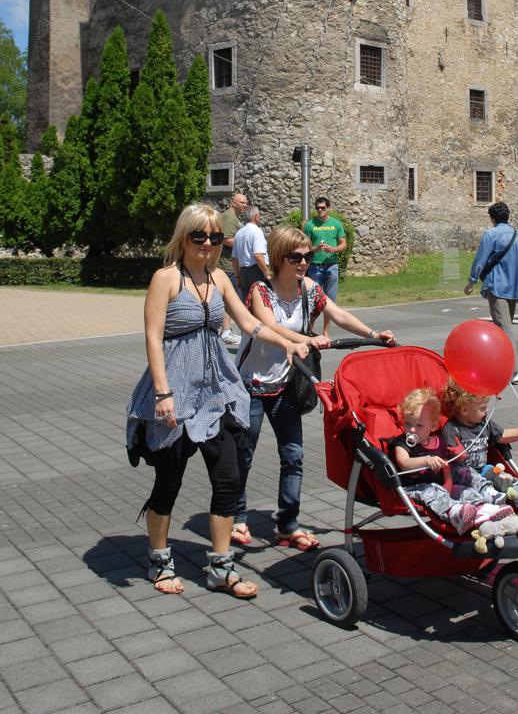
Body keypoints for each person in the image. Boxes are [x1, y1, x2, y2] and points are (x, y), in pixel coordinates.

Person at [126, 203, 312, 599]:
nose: (208, 244)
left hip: (217, 391)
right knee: (168, 482)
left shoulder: (219, 279)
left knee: (227, 479)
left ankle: (221, 568)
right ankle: (159, 560)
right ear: (184, 238)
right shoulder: (166, 279)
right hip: (175, 389)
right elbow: (152, 338)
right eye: (200, 236)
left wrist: (290, 342)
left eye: (214, 237)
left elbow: (250, 323)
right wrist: (163, 393)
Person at [232, 224, 395, 550]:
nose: (304, 261)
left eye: (307, 255)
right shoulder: (260, 291)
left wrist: (373, 335)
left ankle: (288, 524)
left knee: (293, 455)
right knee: (243, 454)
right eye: (296, 256)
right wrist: (307, 339)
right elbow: (270, 325)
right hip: (251, 384)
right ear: (279, 258)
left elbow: (339, 313)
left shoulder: (308, 289)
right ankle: (236, 517)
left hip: (286, 384)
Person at [390, 389, 518, 536]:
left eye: (419, 426)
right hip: (416, 486)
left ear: (433, 426)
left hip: (444, 483)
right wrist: (425, 460)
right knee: (433, 491)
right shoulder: (402, 443)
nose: (411, 430)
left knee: (462, 474)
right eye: (407, 423)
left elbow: (447, 467)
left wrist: (449, 483)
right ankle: (455, 512)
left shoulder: (437, 441)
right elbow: (404, 463)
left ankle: (484, 503)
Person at [440, 379, 518, 522]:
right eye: (483, 408)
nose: (486, 411)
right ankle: (491, 496)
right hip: (461, 475)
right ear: (465, 410)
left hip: (484, 470)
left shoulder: (484, 423)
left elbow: (502, 435)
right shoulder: (452, 429)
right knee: (465, 471)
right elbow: (451, 459)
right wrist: (458, 454)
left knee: (502, 476)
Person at [464, 201, 518, 384]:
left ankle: (512, 371)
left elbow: (480, 260)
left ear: (492, 218)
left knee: (505, 330)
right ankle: (496, 364)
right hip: (513, 288)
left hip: (497, 287)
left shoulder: (491, 234)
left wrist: (471, 281)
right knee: (502, 328)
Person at [304, 197, 347, 335]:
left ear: (328, 208)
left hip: (331, 266)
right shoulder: (310, 225)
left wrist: (333, 250)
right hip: (315, 265)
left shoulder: (336, 224)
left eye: (323, 208)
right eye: (318, 208)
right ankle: (309, 329)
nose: (320, 210)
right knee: (313, 299)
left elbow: (343, 244)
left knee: (329, 301)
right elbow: (304, 245)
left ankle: (326, 331)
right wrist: (315, 248)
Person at [219, 191, 247, 345]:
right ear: (233, 203)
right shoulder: (229, 217)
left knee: (228, 299)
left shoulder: (233, 217)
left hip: (231, 265)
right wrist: (246, 242)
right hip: (227, 265)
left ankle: (226, 330)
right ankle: (226, 331)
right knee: (229, 299)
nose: (245, 205)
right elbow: (227, 239)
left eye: (246, 203)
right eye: (242, 202)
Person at [232, 205, 272, 303]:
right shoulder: (257, 232)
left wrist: (237, 276)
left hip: (243, 272)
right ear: (256, 217)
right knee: (261, 303)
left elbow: (234, 258)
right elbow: (258, 255)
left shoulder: (239, 233)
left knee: (247, 302)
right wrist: (267, 273)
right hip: (256, 271)